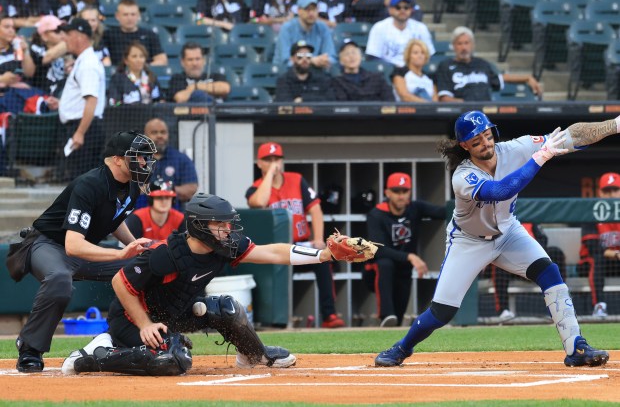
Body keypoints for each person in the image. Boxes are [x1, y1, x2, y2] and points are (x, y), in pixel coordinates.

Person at [375, 110, 613, 368]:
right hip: (469, 241)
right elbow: (500, 191)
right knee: (442, 312)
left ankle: (575, 347)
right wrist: (541, 157)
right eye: (476, 141)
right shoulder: (462, 176)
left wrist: (615, 124)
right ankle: (401, 347)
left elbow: (572, 135)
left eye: (487, 136)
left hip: (508, 232)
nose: (485, 143)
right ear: (464, 145)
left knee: (549, 272)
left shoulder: (514, 148)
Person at [60, 192, 362, 375]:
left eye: (228, 224)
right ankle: (96, 355)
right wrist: (144, 325)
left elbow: (272, 251)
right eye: (221, 225)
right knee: (173, 359)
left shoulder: (225, 247)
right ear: (200, 227)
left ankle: (254, 354)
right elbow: (120, 283)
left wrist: (323, 254)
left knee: (228, 309)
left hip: (175, 312)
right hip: (133, 319)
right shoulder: (167, 254)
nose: (228, 230)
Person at [12, 131, 157, 373]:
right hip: (47, 244)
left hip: (81, 251)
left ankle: (134, 337)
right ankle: (30, 348)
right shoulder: (89, 184)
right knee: (59, 280)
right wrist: (121, 254)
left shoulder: (132, 186)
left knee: (147, 266)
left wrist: (135, 247)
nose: (145, 163)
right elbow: (73, 245)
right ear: (118, 159)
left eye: (146, 158)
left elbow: (115, 218)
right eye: (139, 157)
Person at [246, 142, 345, 328]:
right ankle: (278, 320)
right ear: (259, 163)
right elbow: (258, 202)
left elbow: (315, 210)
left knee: (323, 259)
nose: (274, 163)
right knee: (277, 274)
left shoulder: (297, 180)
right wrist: (269, 175)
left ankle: (329, 315)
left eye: (277, 159)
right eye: (268, 160)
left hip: (301, 245)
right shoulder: (255, 188)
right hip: (275, 251)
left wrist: (318, 239)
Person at [365, 172, 445, 327]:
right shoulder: (376, 214)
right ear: (387, 192)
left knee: (397, 319)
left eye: (404, 191)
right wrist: (410, 256)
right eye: (396, 191)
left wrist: (471, 200)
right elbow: (378, 249)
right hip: (375, 272)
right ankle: (385, 314)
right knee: (385, 263)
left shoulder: (415, 208)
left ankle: (390, 324)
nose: (401, 196)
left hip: (404, 270)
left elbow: (443, 211)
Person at [436, 26, 541, 102]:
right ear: (453, 46)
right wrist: (466, 106)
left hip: (486, 112)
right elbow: (445, 98)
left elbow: (501, 78)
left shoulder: (482, 64)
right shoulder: (445, 66)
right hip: (463, 115)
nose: (464, 47)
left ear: (472, 45)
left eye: (467, 43)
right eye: (460, 43)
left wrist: (527, 78)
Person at [57, 17, 106, 179]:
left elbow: (92, 100)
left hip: (85, 128)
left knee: (82, 182)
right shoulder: (84, 61)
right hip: (84, 126)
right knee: (81, 182)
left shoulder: (88, 64)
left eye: (68, 34)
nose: (64, 38)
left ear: (80, 36)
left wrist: (79, 132)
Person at [579, 172, 620, 318]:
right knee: (597, 259)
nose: (611, 194)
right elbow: (593, 246)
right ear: (600, 192)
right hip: (593, 263)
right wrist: (615, 253)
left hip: (616, 262)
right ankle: (599, 306)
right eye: (607, 191)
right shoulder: (592, 212)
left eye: (615, 190)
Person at [136, 118, 199, 211]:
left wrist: (165, 188)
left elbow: (191, 188)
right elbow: (125, 189)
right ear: (145, 136)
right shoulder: (135, 159)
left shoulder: (181, 159)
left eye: (163, 132)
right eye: (154, 132)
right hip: (140, 219)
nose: (159, 135)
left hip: (174, 219)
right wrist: (151, 188)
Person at [365, 0, 435, 68]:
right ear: (390, 10)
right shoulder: (379, 27)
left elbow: (430, 54)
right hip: (389, 72)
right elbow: (372, 56)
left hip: (415, 70)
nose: (402, 10)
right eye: (398, 7)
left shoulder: (421, 28)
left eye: (406, 7)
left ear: (411, 10)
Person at [273, 0, 337, 69]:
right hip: (287, 73)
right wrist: (310, 60)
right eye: (307, 9)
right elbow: (286, 61)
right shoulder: (287, 28)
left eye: (314, 9)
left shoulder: (322, 27)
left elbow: (332, 57)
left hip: (314, 73)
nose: (311, 13)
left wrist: (324, 60)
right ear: (299, 11)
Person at [102, 0, 167, 67]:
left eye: (133, 14)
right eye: (125, 15)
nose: (129, 18)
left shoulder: (149, 35)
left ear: (138, 15)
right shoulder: (108, 36)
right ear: (117, 16)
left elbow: (161, 59)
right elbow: (103, 59)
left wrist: (142, 69)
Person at [107, 42, 163, 106]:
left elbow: (160, 100)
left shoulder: (151, 78)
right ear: (126, 60)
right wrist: (126, 105)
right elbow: (113, 103)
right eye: (134, 56)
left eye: (141, 56)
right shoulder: (117, 79)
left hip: (150, 114)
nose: (138, 60)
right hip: (127, 114)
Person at [29, 15, 66, 95]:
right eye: (57, 30)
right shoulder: (35, 47)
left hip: (62, 91)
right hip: (42, 94)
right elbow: (46, 58)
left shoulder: (66, 50)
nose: (62, 33)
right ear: (44, 36)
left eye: (62, 29)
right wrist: (69, 41)